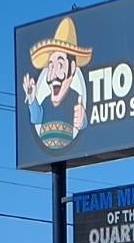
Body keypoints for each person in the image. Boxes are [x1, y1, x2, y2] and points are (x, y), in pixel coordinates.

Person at [23, 17, 92, 150]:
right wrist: (32, 99)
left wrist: (82, 122)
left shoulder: (75, 99)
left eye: (60, 65)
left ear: (72, 68)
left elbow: (83, 124)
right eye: (50, 66)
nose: (53, 75)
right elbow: (36, 118)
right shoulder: (46, 102)